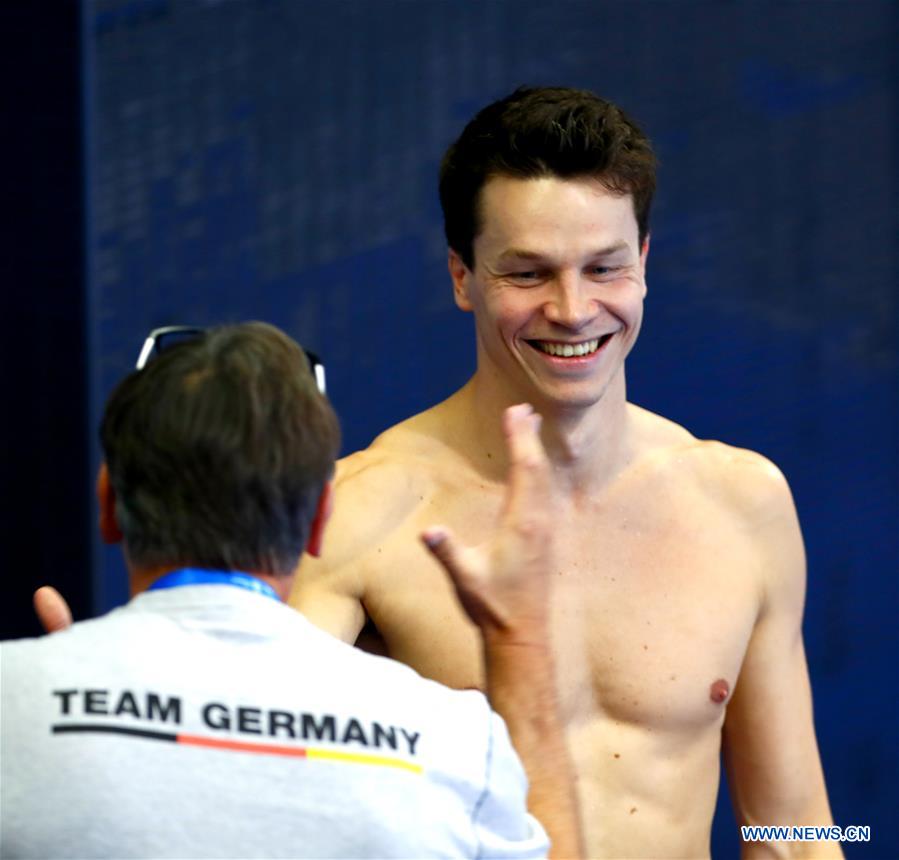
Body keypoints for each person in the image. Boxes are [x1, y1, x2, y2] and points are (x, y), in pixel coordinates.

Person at [289, 87, 841, 858]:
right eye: (528, 274)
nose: (573, 309)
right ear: (461, 276)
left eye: (603, 267)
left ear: (643, 264)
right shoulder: (356, 514)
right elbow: (263, 807)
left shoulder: (742, 503)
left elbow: (794, 829)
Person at [4, 322, 581, 858]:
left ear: (107, 504)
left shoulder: (13, 702)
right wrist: (518, 640)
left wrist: (59, 716)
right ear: (317, 522)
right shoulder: (452, 740)